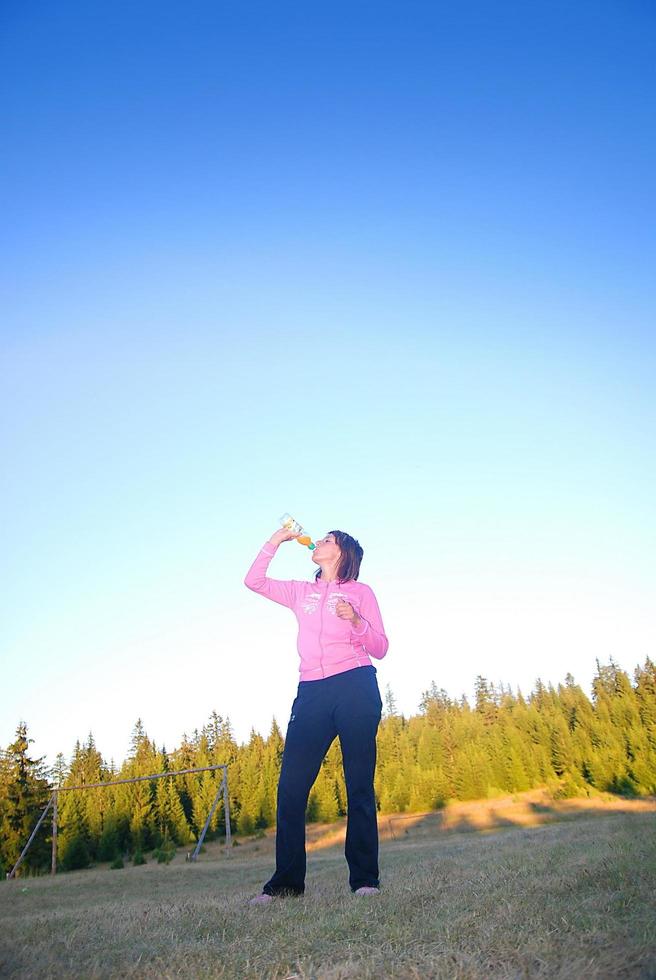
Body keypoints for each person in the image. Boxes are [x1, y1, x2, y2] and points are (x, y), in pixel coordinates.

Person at [244, 525, 389, 904]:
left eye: (327, 539)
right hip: (311, 692)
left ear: (342, 552)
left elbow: (381, 647)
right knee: (291, 787)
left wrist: (357, 621)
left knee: (359, 783)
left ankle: (364, 880)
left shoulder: (361, 593)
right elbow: (253, 581)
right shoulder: (300, 592)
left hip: (356, 684)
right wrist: (276, 540)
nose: (319, 542)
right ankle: (286, 884)